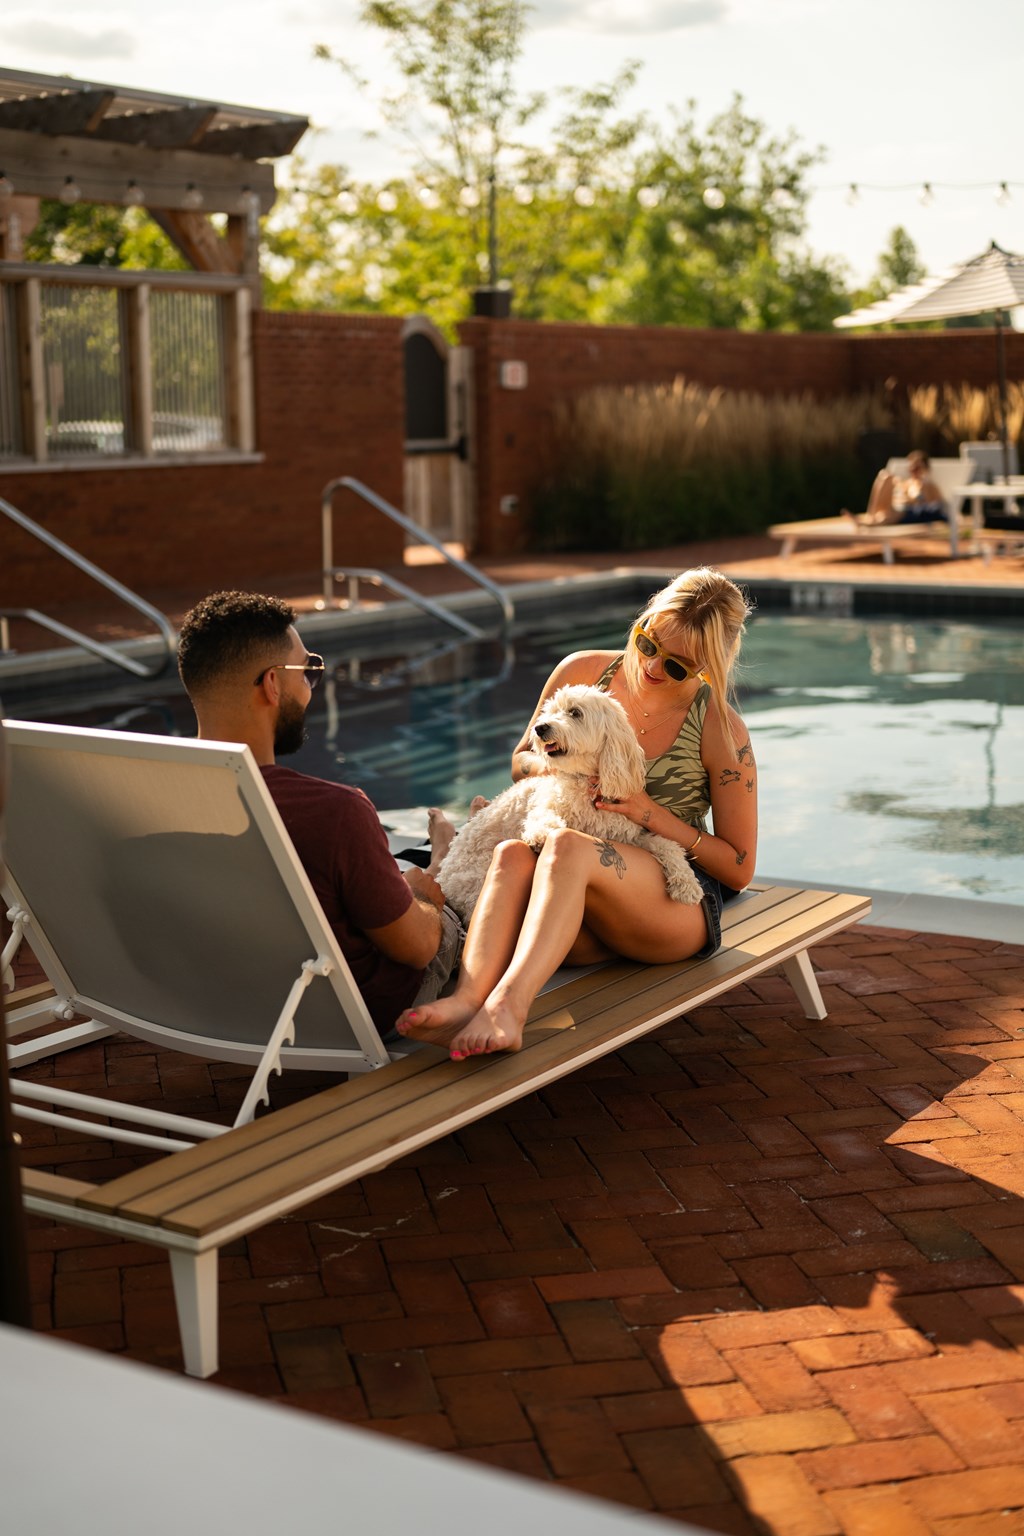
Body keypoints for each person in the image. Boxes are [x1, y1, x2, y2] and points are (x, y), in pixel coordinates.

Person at [398, 567, 757, 1061]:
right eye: (648, 644)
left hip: (671, 902)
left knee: (566, 847)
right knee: (511, 852)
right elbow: (523, 757)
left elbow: (739, 867)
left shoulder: (720, 726)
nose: (652, 668)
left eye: (678, 666)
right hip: (581, 906)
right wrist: (557, 772)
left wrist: (650, 813)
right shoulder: (583, 672)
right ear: (642, 623)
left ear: (708, 668)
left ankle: (508, 1007)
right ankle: (465, 999)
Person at [176, 591, 462, 1035]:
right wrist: (429, 888)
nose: (311, 686)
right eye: (308, 671)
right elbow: (419, 949)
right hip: (346, 1012)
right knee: (476, 883)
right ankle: (443, 860)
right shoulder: (334, 812)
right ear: (272, 684)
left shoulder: (147, 794)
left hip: (218, 997)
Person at [843, 450, 946, 526]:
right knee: (885, 476)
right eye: (912, 467)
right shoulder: (906, 483)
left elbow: (936, 505)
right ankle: (870, 517)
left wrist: (918, 496)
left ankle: (868, 521)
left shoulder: (929, 485)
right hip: (894, 508)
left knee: (887, 515)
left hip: (907, 512)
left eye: (917, 468)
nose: (914, 470)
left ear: (925, 468)